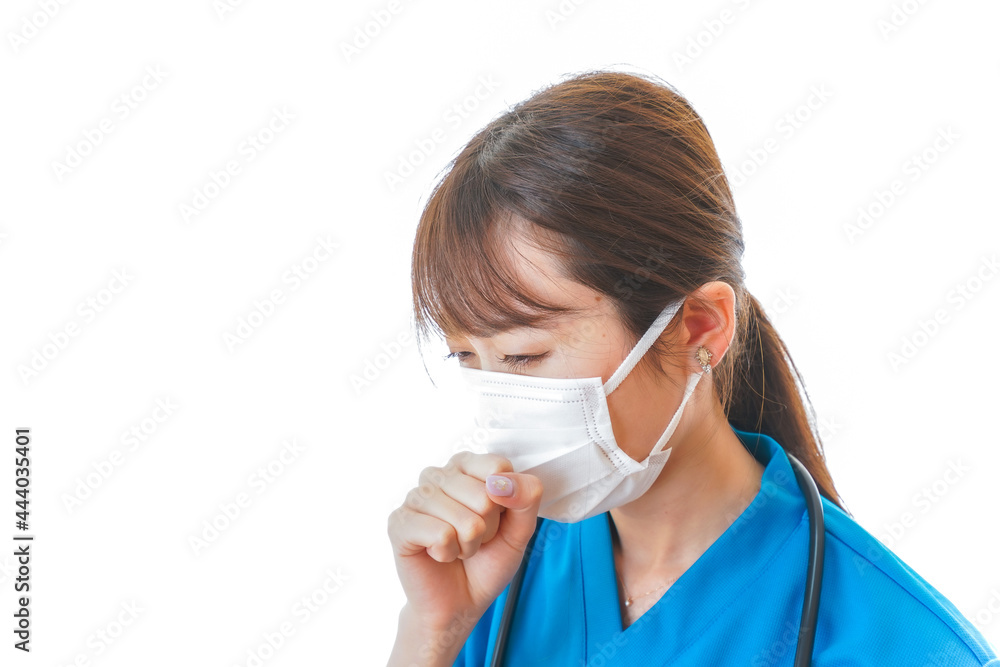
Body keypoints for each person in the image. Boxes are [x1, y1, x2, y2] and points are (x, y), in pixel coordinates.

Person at [386, 69, 998, 666]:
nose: (500, 403)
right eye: (467, 359)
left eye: (526, 355)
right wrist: (430, 633)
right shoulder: (496, 579)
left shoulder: (900, 645)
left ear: (699, 328)